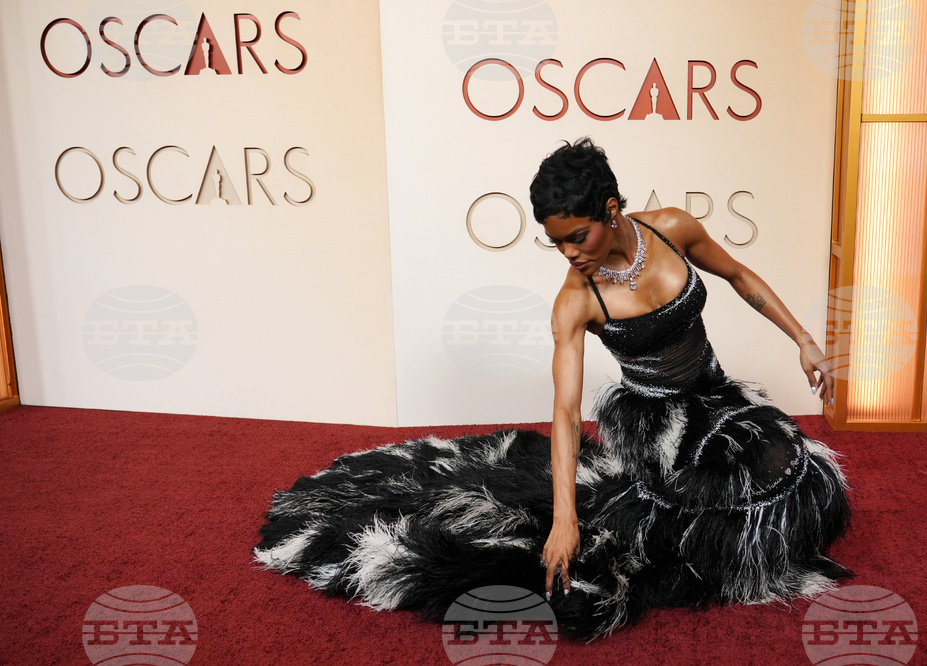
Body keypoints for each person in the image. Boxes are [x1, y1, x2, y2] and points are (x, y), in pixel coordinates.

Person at [254, 138, 851, 640]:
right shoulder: (575, 301)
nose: (569, 253)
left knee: (787, 472)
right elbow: (565, 415)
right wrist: (565, 519)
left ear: (612, 209)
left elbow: (741, 275)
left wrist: (802, 338)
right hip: (659, 425)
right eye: (556, 241)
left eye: (578, 237)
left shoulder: (673, 229)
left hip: (716, 396)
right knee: (700, 524)